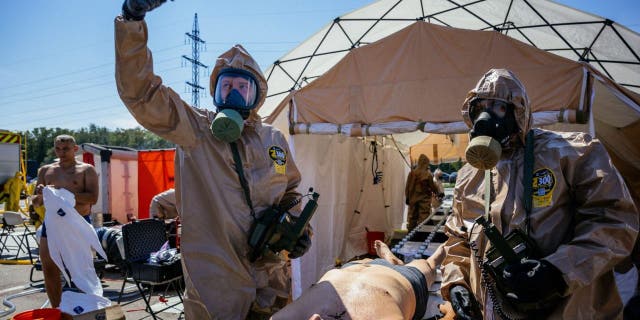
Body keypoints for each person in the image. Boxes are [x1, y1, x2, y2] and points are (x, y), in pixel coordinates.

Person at [115, 1, 312, 318]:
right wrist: (131, 20)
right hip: (215, 287)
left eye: (241, 87)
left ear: (256, 96)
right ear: (215, 92)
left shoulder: (273, 139)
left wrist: (299, 231)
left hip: (270, 277)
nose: (233, 93)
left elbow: (292, 192)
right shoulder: (194, 129)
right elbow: (141, 93)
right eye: (227, 86)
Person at [439, 69, 638, 319]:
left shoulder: (572, 153)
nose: (485, 118)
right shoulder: (471, 176)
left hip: (569, 309)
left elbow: (616, 222)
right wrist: (457, 284)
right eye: (480, 108)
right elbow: (458, 239)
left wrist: (557, 271)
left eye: (498, 108)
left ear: (518, 112)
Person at [271, 240, 445, 320]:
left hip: (354, 266)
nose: (316, 317)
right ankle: (432, 259)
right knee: (426, 265)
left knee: (374, 262)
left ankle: (389, 258)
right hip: (402, 279)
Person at [31, 134, 99, 308]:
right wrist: (40, 193)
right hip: (53, 223)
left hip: (77, 221)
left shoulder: (87, 169)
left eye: (66, 149)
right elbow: (36, 201)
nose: (61, 152)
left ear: (75, 149)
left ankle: (88, 309)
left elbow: (93, 198)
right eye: (58, 148)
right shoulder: (45, 170)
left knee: (82, 269)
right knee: (49, 266)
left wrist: (62, 193)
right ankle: (57, 310)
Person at [405, 154, 439, 231]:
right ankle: (422, 235)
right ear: (426, 163)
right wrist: (437, 192)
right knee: (424, 219)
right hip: (424, 201)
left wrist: (407, 197)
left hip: (412, 200)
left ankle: (411, 236)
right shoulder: (427, 174)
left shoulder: (412, 173)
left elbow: (407, 187)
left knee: (412, 218)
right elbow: (433, 187)